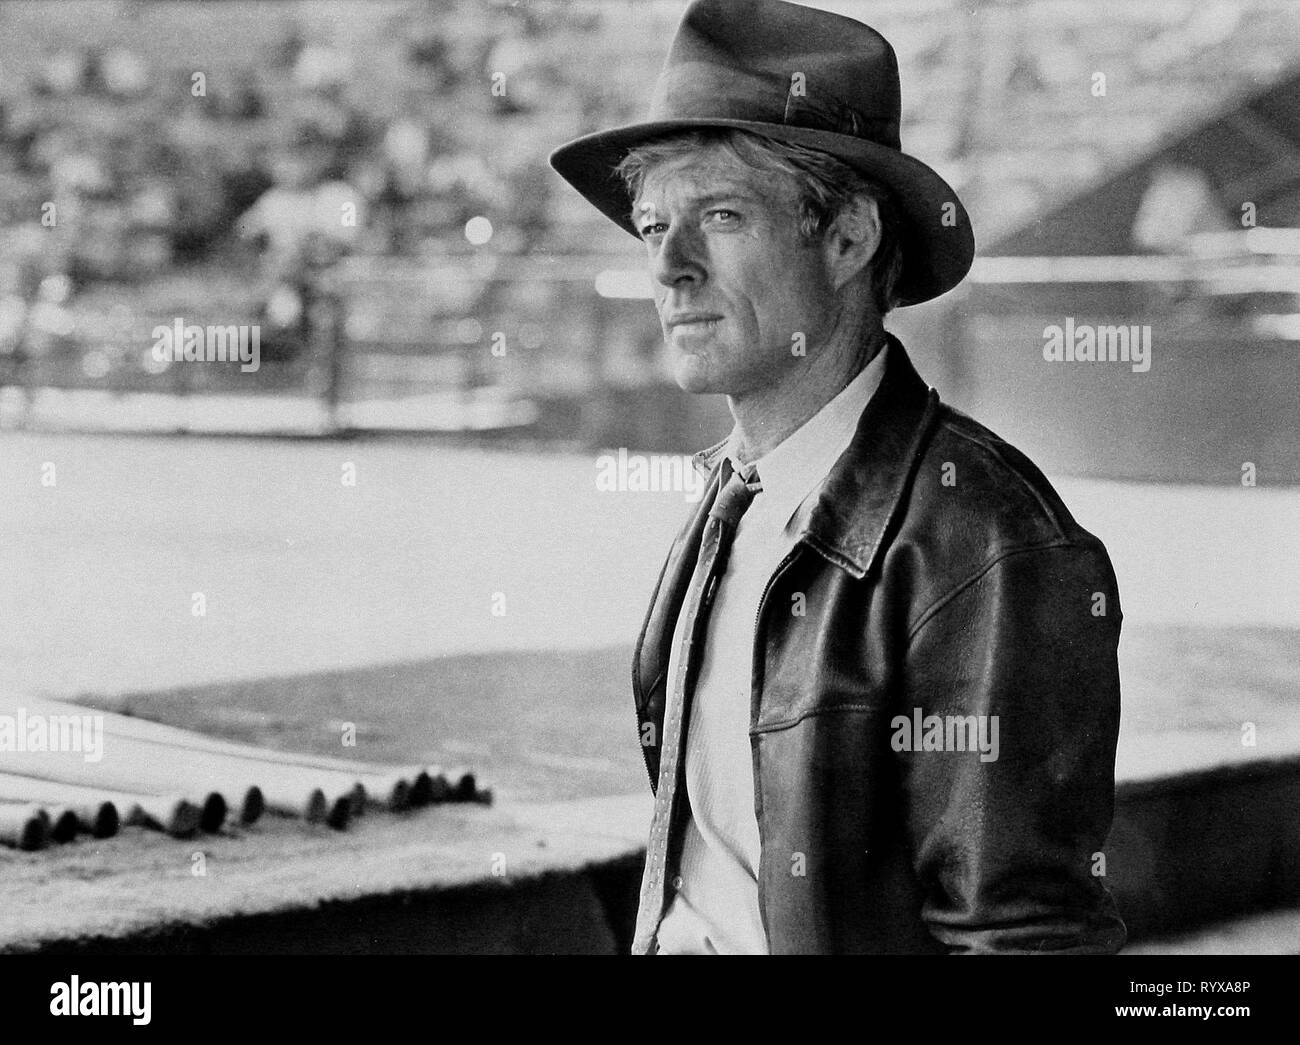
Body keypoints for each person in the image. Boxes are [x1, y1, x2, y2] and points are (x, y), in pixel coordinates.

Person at [550, 0, 1126, 954]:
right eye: (653, 226)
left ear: (850, 239)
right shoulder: (739, 492)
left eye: (721, 217)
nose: (669, 267)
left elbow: (1028, 939)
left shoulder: (989, 543)